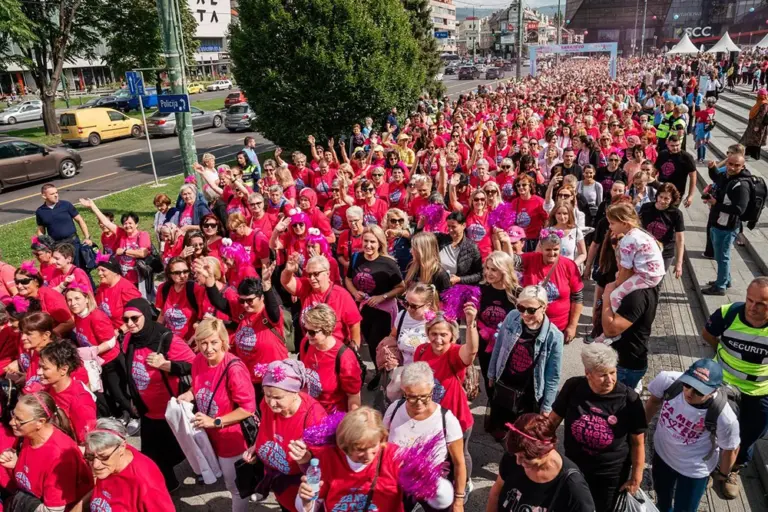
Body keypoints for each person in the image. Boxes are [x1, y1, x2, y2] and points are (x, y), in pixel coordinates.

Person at [295, 407, 454, 512]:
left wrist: (432, 482)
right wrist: (306, 502)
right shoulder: (329, 457)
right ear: (344, 445)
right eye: (360, 449)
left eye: (374, 447)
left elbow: (443, 501)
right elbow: (311, 507)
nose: (369, 456)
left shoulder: (395, 456)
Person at [549, 344, 647, 512]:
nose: (610, 379)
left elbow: (638, 442)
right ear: (588, 373)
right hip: (574, 467)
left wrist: (636, 477)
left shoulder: (630, 400)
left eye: (613, 372)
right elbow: (553, 420)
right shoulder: (573, 387)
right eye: (603, 375)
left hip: (609, 476)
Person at [178, 318, 257, 512]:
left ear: (223, 341)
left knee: (235, 487)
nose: (208, 348)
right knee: (224, 477)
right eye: (203, 342)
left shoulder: (234, 368)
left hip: (231, 438)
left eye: (213, 342)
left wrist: (216, 421)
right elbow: (199, 387)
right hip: (209, 434)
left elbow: (248, 408)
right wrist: (189, 394)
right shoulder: (198, 361)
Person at [702, 277, 768, 497]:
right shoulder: (728, 313)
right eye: (749, 300)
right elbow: (709, 335)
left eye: (761, 304)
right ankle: (711, 466)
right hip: (725, 386)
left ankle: (733, 469)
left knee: (750, 432)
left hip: (760, 392)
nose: (752, 307)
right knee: (716, 427)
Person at [645, 359, 740, 511]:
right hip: (662, 456)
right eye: (688, 384)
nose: (689, 392)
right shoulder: (668, 380)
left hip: (694, 470)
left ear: (713, 390)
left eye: (699, 391)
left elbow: (731, 449)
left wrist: (722, 474)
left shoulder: (725, 417)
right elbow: (654, 402)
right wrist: (641, 430)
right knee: (662, 501)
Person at [121, 298, 194, 492]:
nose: (129, 324)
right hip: (148, 410)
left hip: (170, 410)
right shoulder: (130, 339)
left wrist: (167, 365)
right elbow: (130, 372)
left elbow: (195, 366)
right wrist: (133, 398)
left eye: (134, 318)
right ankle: (168, 486)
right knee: (152, 456)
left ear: (146, 315)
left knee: (178, 451)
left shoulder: (166, 339)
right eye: (126, 319)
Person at [243, 359, 327, 511]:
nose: (271, 403)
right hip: (276, 481)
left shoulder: (314, 416)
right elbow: (265, 427)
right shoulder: (268, 404)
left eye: (277, 397)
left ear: (295, 392)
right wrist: (256, 446)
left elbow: (324, 462)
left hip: (299, 492)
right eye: (267, 395)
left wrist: (305, 457)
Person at [384, 361, 467, 512]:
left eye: (425, 396)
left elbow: (459, 463)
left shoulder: (446, 420)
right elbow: (382, 445)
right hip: (399, 482)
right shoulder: (394, 409)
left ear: (432, 389)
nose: (419, 403)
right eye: (412, 397)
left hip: (433, 485)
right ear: (404, 391)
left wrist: (459, 501)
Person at [198, 261, 287, 400]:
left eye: (250, 300)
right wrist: (210, 281)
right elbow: (219, 302)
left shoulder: (269, 315)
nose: (245, 305)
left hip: (271, 379)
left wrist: (267, 287)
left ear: (262, 298)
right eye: (242, 301)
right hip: (248, 377)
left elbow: (273, 309)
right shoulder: (243, 311)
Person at [488, 286, 563, 439]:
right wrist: (491, 374)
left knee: (523, 434)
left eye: (531, 310)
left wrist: (547, 406)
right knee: (502, 425)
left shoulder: (554, 336)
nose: (524, 314)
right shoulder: (512, 317)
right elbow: (499, 345)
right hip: (506, 383)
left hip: (529, 392)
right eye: (521, 307)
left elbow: (553, 375)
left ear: (544, 307)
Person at [414, 307, 479, 480]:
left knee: (459, 457)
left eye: (443, 334)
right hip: (431, 419)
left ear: (452, 335)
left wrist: (471, 323)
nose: (438, 339)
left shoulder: (455, 352)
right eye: (434, 333)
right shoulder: (420, 350)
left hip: (457, 419)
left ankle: (463, 485)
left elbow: (471, 352)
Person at [0, 391, 93, 509]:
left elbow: (53, 510)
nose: (11, 422)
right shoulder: (29, 435)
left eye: (19, 420)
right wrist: (16, 464)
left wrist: (21, 503)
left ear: (40, 422)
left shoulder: (59, 456)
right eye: (13, 415)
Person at [486, 413, 595, 512]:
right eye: (517, 455)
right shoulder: (513, 457)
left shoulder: (573, 485)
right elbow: (496, 493)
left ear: (547, 450)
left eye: (526, 458)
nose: (518, 462)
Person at [345, 225, 405, 386]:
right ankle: (379, 370)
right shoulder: (356, 257)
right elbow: (348, 279)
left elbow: (401, 287)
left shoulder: (388, 263)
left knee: (377, 342)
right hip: (364, 309)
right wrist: (354, 292)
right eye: (366, 241)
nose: (368, 245)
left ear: (380, 243)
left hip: (383, 311)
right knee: (370, 344)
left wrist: (382, 297)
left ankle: (385, 373)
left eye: (372, 242)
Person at [85, 417, 175, 511]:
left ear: (122, 447)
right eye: (90, 456)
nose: (95, 465)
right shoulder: (108, 464)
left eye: (104, 457)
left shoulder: (144, 482)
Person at [602, 202, 665, 325]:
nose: (610, 227)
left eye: (612, 223)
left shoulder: (628, 240)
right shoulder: (639, 232)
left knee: (615, 295)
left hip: (647, 276)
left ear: (624, 223)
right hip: (654, 273)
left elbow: (625, 270)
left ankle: (615, 323)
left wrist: (617, 285)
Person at [375, 282, 439, 404]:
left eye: (414, 306)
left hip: (425, 381)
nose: (409, 308)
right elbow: (392, 336)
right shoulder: (402, 315)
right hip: (401, 376)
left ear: (428, 305)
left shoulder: (435, 323)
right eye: (406, 303)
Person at [281, 254, 362, 348]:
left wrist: (354, 348)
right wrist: (288, 271)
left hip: (334, 349)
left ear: (327, 273)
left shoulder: (341, 295)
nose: (312, 278)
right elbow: (286, 282)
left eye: (316, 274)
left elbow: (354, 323)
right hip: (311, 347)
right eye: (309, 274)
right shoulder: (306, 287)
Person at [516, 231, 583, 341]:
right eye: (548, 249)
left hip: (557, 327)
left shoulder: (569, 265)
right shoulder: (530, 259)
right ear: (541, 247)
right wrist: (504, 243)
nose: (552, 253)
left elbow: (577, 298)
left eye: (555, 249)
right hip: (530, 323)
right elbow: (508, 261)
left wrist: (572, 326)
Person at [79, 199, 152, 295]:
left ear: (136, 224)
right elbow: (106, 222)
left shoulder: (142, 235)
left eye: (130, 223)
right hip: (123, 276)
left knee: (140, 300)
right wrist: (93, 206)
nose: (127, 225)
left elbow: (143, 253)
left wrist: (124, 251)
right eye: (125, 223)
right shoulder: (121, 233)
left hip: (139, 277)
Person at [298, 304, 362, 412]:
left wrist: (351, 425)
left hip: (333, 416)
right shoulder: (306, 344)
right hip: (309, 411)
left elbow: (353, 396)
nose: (307, 335)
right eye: (306, 329)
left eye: (312, 332)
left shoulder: (344, 357)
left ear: (327, 330)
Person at [702, 153, 750, 296]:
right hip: (718, 222)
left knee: (722, 256)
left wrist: (717, 204)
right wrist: (712, 169)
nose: (732, 167)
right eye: (730, 164)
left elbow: (739, 209)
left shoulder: (741, 185)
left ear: (743, 167)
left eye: (737, 165)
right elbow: (717, 178)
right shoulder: (728, 177)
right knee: (718, 254)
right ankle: (725, 279)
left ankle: (720, 286)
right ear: (727, 163)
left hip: (728, 226)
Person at [37, 339, 97, 445]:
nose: (39, 372)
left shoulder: (80, 402)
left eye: (45, 368)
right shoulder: (47, 389)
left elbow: (87, 444)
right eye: (39, 367)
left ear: (63, 370)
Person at [35, 184, 93, 269]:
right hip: (57, 246)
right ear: (44, 196)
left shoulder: (66, 205)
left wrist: (87, 237)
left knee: (81, 269)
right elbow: (41, 230)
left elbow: (80, 220)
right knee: (64, 270)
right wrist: (42, 245)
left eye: (56, 192)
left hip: (73, 243)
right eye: (52, 194)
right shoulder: (40, 211)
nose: (56, 195)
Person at [14, 263, 73, 336]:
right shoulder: (18, 298)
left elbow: (69, 323)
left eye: (24, 282)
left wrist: (45, 336)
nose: (19, 286)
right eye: (16, 281)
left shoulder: (50, 296)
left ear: (36, 281)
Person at [640, 182, 685, 276]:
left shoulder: (676, 214)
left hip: (665, 253)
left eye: (666, 198)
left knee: (657, 280)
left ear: (672, 199)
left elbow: (680, 239)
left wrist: (679, 263)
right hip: (645, 251)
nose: (662, 201)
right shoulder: (646, 207)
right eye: (660, 197)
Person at [94, 255, 141, 333]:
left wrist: (119, 332)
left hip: (124, 333)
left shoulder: (127, 289)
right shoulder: (103, 285)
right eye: (98, 270)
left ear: (114, 272)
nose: (99, 273)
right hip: (106, 329)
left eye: (103, 270)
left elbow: (137, 317)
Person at [435, 212, 483, 286]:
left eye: (454, 226)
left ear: (463, 225)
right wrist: (419, 227)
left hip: (457, 290)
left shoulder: (472, 247)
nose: (450, 230)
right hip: (439, 285)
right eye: (448, 226)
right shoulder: (441, 239)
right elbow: (421, 240)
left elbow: (479, 274)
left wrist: (460, 279)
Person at [655, 135, 697, 208]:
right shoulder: (662, 154)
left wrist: (690, 195)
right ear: (667, 144)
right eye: (672, 145)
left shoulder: (687, 157)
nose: (675, 148)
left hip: (676, 191)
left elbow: (693, 176)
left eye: (677, 145)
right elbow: (655, 170)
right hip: (661, 189)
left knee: (671, 212)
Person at [740, 88, 768, 160]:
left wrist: (757, 126)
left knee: (756, 140)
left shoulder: (764, 104)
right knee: (751, 139)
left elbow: (761, 116)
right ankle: (749, 154)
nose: (758, 95)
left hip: (759, 126)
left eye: (759, 94)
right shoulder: (760, 102)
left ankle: (754, 156)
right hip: (753, 124)